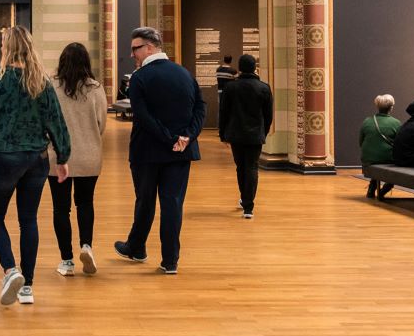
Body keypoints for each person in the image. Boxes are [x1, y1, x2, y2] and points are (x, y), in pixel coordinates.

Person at [0, 26, 70, 305]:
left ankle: (10, 269)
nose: (0, 48)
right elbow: (57, 122)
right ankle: (27, 286)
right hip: (37, 158)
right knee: (28, 220)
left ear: (8, 47)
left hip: (6, 156)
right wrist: (62, 158)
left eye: (2, 44)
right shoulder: (42, 81)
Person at [114, 27, 206, 276]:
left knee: (145, 202)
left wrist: (169, 139)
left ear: (151, 47)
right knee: (172, 204)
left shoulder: (140, 78)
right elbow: (200, 107)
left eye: (136, 48)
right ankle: (170, 260)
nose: (132, 53)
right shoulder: (184, 73)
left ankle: (137, 247)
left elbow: (143, 118)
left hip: (147, 152)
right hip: (180, 152)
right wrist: (187, 137)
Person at [47, 42, 107, 277]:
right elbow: (101, 123)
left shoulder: (52, 86)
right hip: (89, 155)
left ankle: (67, 261)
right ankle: (86, 246)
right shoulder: (96, 88)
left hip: (58, 157)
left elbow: (46, 121)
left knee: (61, 209)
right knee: (85, 203)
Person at [217, 54, 273, 219]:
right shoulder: (263, 87)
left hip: (236, 134)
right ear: (254, 67)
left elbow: (224, 113)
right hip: (255, 134)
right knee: (252, 167)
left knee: (240, 167)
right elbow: (268, 115)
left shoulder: (231, 88)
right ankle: (248, 206)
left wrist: (223, 134)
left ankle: (244, 199)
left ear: (240, 68)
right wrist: (265, 131)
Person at [359, 94, 400, 198]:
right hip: (389, 160)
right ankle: (383, 191)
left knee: (377, 158)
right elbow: (399, 145)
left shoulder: (367, 121)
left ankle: (372, 187)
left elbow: (361, 142)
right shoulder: (396, 123)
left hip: (368, 159)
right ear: (391, 107)